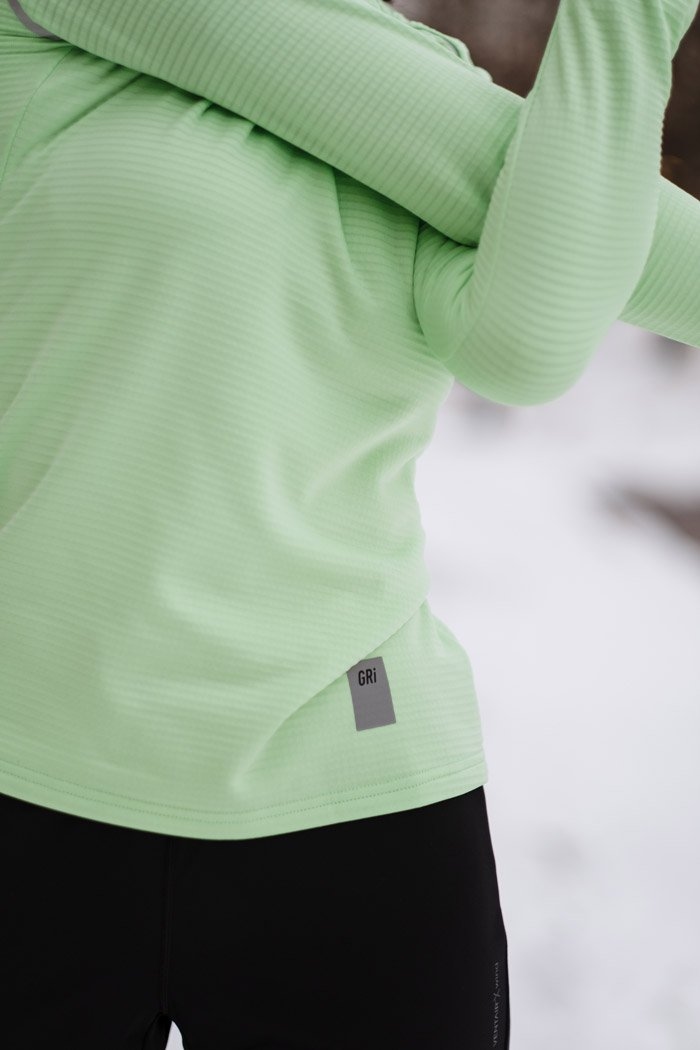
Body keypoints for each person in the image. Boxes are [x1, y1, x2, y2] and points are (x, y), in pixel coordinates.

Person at [1, 0, 699, 1046]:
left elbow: (525, 348)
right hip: (29, 780)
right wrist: (518, 158)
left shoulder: (436, 103)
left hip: (357, 791)